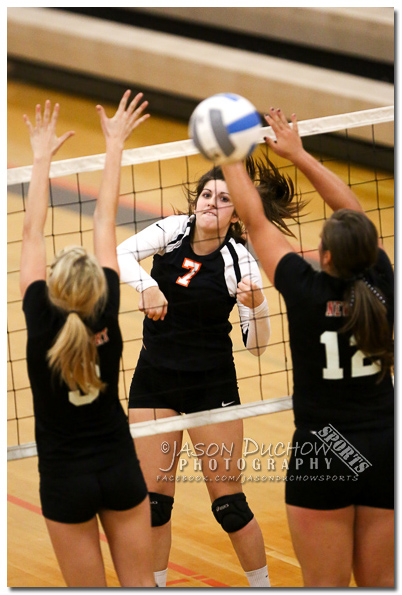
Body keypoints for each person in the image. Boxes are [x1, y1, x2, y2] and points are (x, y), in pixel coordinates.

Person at [220, 107, 394, 587]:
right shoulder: (383, 283)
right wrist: (298, 154)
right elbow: (356, 216)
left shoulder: (305, 290)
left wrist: (230, 153)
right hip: (385, 448)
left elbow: (255, 222)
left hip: (324, 452)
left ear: (328, 256)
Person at [117, 152, 301, 587]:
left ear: (237, 213)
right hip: (155, 382)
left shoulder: (240, 260)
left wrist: (258, 309)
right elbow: (121, 252)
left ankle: (262, 586)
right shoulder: (172, 230)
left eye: (222, 198)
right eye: (205, 194)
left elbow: (256, 348)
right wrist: (146, 286)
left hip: (209, 388)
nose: (209, 203)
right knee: (153, 504)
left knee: (229, 506)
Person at [20, 91, 156, 587]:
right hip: (118, 466)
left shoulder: (40, 321)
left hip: (64, 480)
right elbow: (105, 219)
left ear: (51, 289)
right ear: (97, 288)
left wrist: (40, 159)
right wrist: (114, 142)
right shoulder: (107, 312)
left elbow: (30, 231)